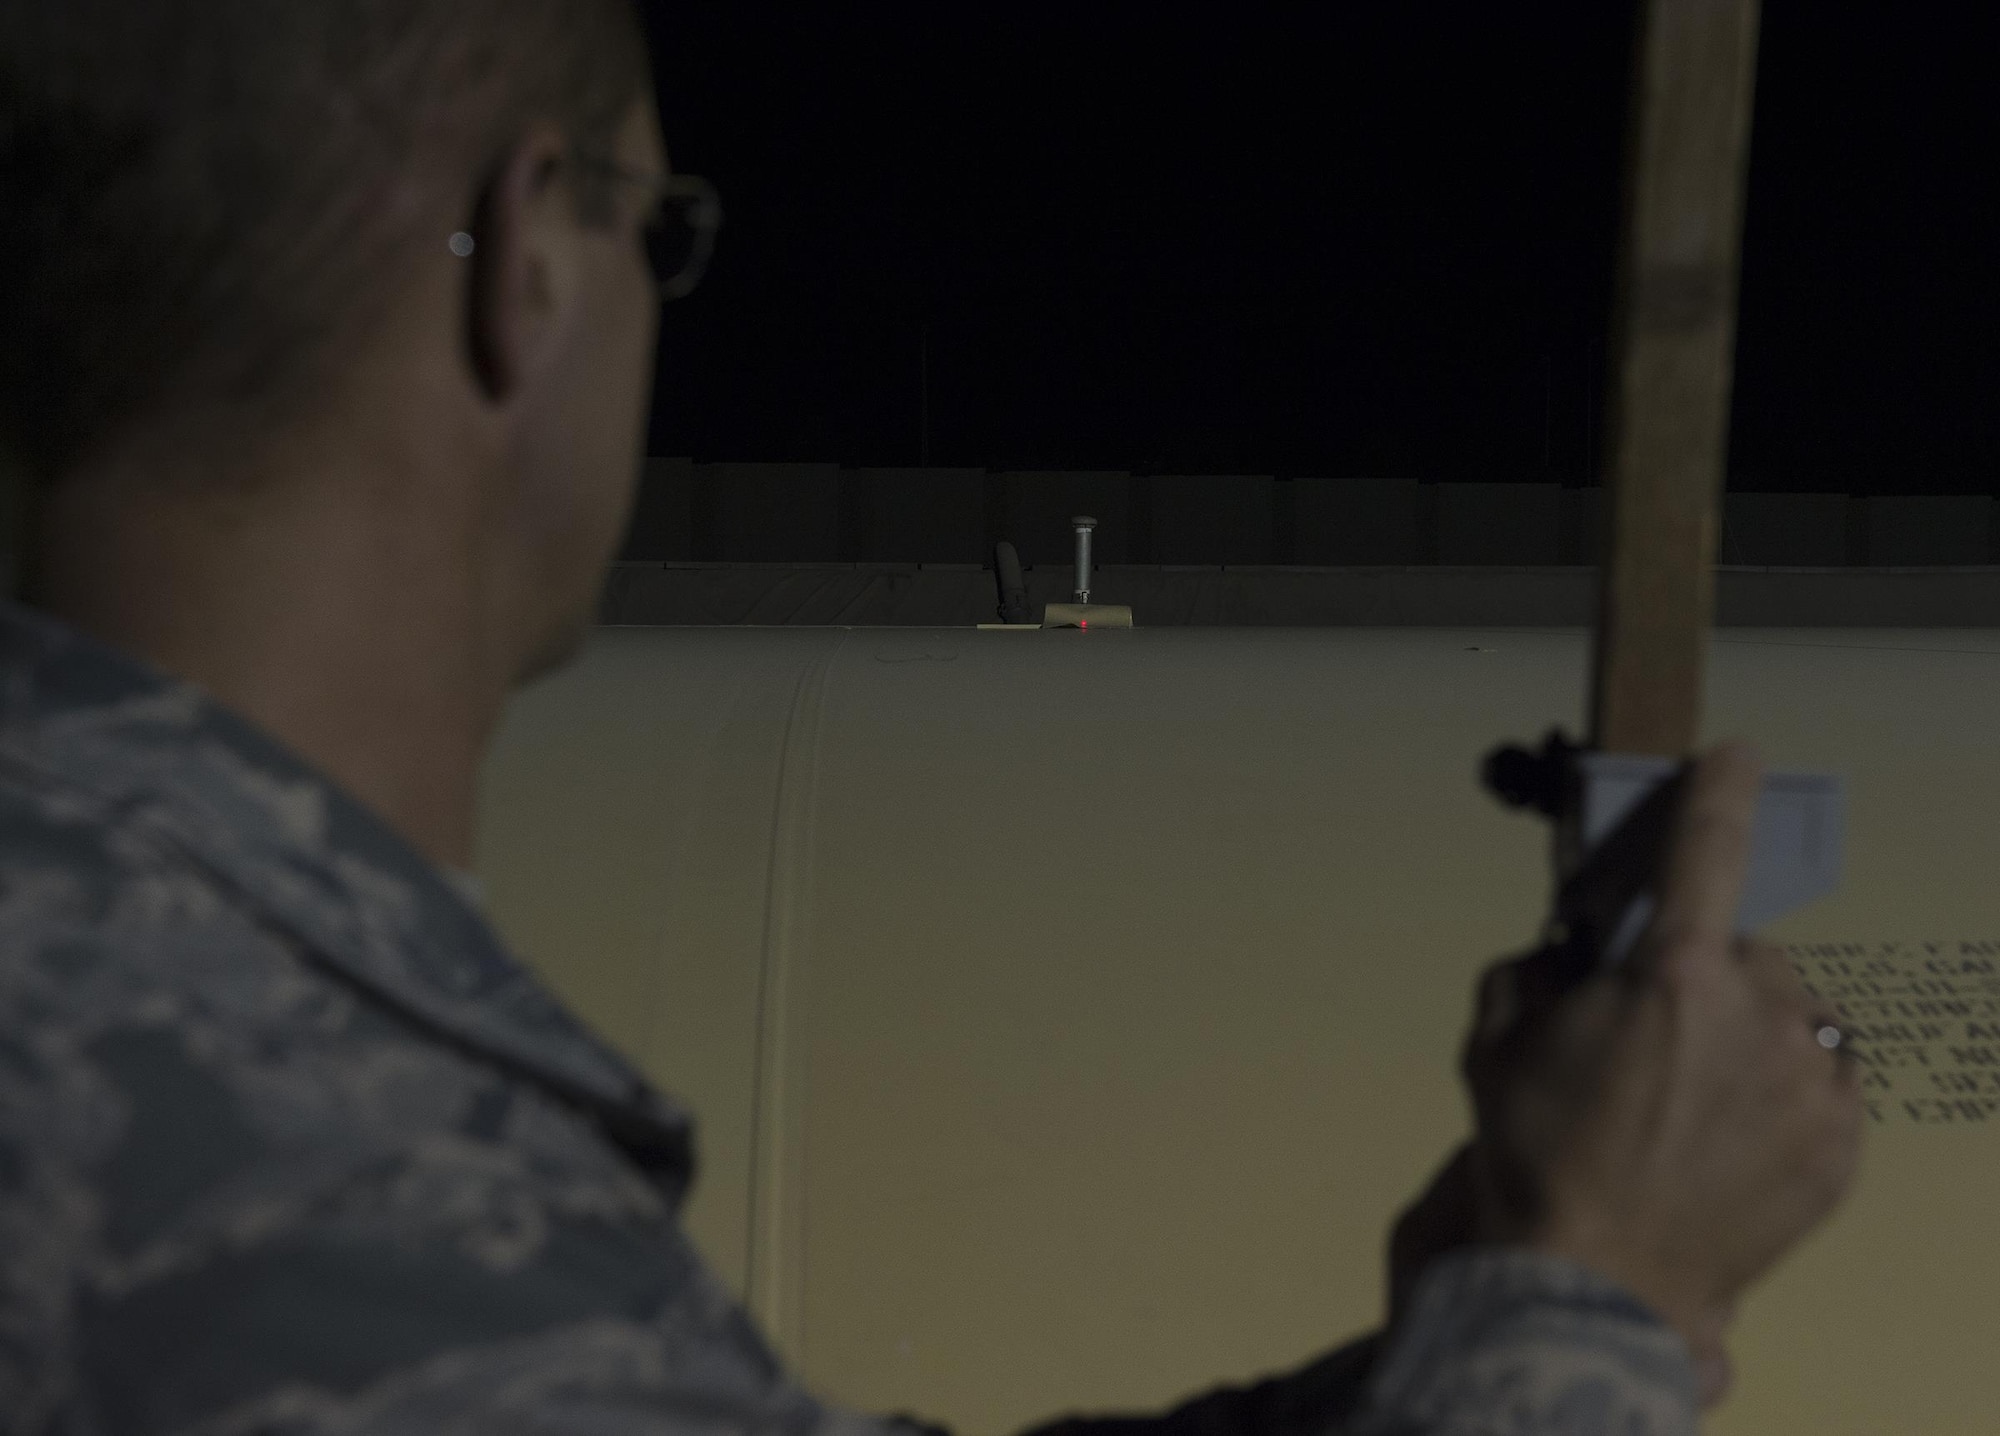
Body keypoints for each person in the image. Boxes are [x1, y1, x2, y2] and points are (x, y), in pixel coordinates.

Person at [0, 3, 1862, 1432]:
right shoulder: (286, 1154)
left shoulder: (149, 992)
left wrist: (1458, 1343)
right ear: (532, 265)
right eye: (662, 225)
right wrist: (1588, 1312)